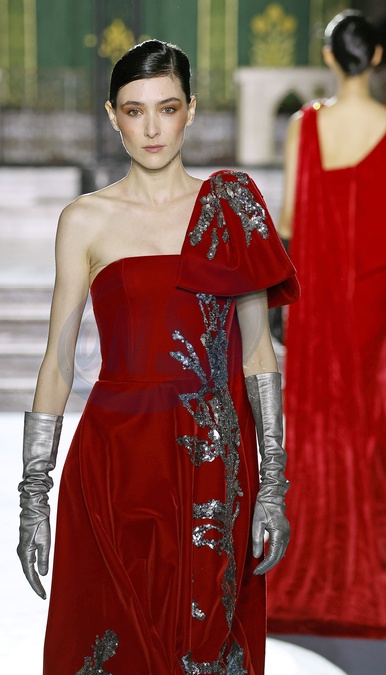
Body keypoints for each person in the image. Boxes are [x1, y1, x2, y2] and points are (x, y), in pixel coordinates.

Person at [16, 39, 299, 674]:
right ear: (112, 115)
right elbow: (58, 359)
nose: (151, 129)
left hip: (213, 470)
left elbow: (258, 352)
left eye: (167, 109)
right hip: (114, 464)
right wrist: (34, 495)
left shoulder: (230, 210)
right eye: (134, 110)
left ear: (191, 110)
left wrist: (273, 485)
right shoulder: (85, 220)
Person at [267, 11, 386, 638]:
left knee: (319, 419)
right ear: (378, 57)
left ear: (330, 58)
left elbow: (289, 220)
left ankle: (315, 559)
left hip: (318, 296)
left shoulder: (305, 125)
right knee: (371, 419)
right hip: (375, 295)